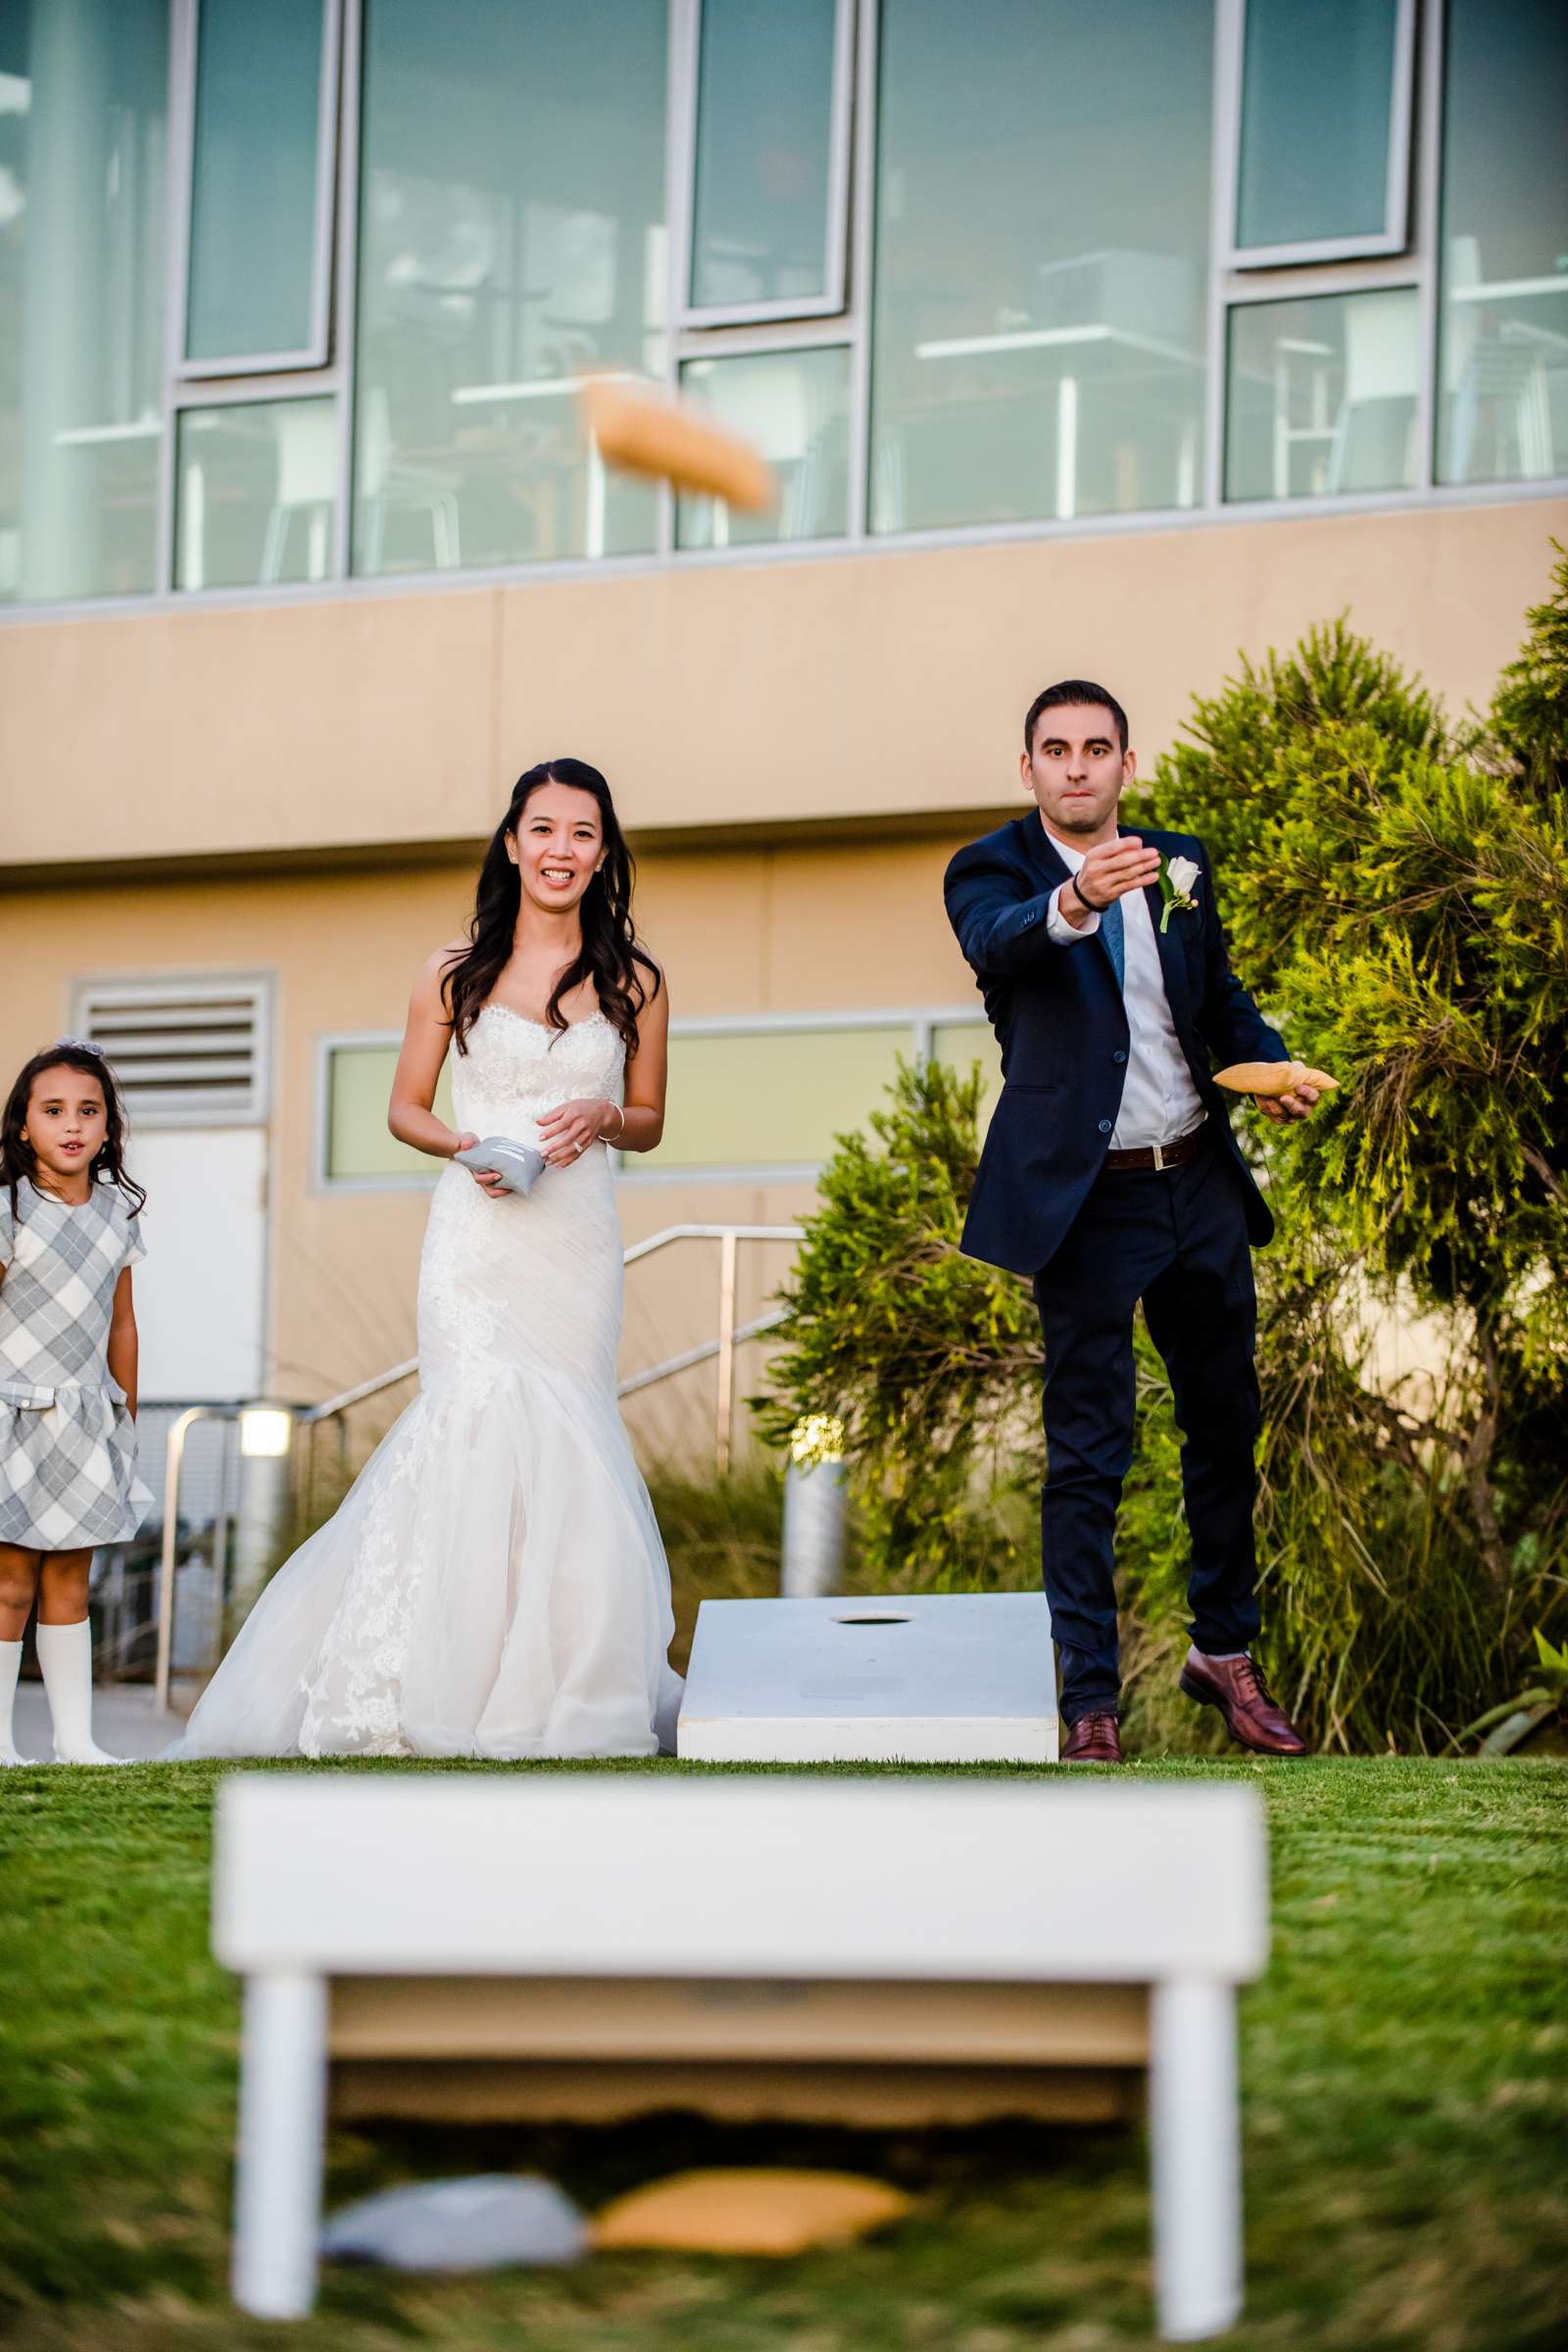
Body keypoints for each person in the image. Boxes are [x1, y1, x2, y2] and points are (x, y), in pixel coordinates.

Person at [175, 758, 683, 1760]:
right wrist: (466, 1148)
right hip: (476, 1238)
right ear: (511, 842)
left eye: (582, 833)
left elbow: (655, 1121)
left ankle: (558, 1689)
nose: (561, 851)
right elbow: (405, 1107)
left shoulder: (638, 980)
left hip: (575, 1241)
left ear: (603, 851)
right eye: (542, 829)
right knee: (471, 1422)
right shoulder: (452, 971)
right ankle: (429, 1679)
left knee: (568, 1435)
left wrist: (607, 1115)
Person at [944, 681, 1321, 1764]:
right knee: (1087, 1457)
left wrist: (1269, 1067)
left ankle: (1224, 1654)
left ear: (1125, 764)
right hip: (1085, 1201)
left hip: (1196, 1181)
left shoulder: (1181, 861)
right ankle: (1091, 1705)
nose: (1076, 766)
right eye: (1055, 750)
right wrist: (1075, 904)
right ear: (1028, 770)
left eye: (1095, 748)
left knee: (1222, 1424)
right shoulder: (992, 871)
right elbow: (997, 945)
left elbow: (1218, 1005)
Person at [0, 1043, 150, 1766]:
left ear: (107, 1127)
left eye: (88, 1111)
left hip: (86, 1419)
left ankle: (76, 1742)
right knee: (9, 1584)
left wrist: (127, 1408)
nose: (72, 1125)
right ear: (23, 1126)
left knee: (71, 1579)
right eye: (52, 1110)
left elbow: (122, 1322)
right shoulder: (9, 1207)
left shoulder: (117, 1213)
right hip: (11, 1415)